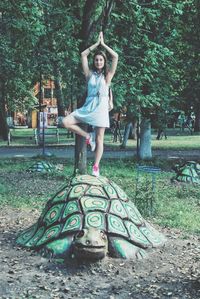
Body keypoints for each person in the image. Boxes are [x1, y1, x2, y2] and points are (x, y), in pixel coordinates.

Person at [62, 32, 118, 177]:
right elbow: (83, 55)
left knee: (100, 139)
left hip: (100, 108)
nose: (99, 62)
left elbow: (115, 57)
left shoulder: (108, 76)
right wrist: (95, 45)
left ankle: (96, 167)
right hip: (88, 106)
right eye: (97, 60)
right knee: (66, 122)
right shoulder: (89, 74)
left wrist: (103, 44)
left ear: (104, 62)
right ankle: (88, 136)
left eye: (101, 60)